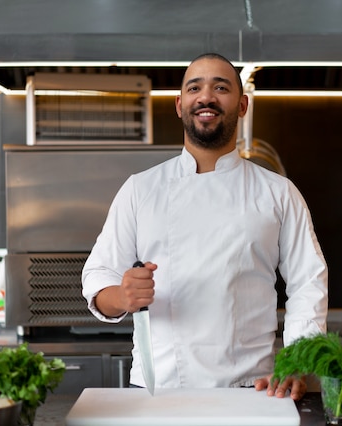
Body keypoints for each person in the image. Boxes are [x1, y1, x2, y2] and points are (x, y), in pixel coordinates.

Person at [82, 53, 328, 401]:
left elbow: (307, 282)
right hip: (161, 388)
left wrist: (297, 362)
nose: (206, 97)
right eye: (194, 87)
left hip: (254, 388)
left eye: (221, 87)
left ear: (242, 105)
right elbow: (98, 275)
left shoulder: (278, 193)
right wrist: (122, 296)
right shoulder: (141, 189)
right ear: (179, 105)